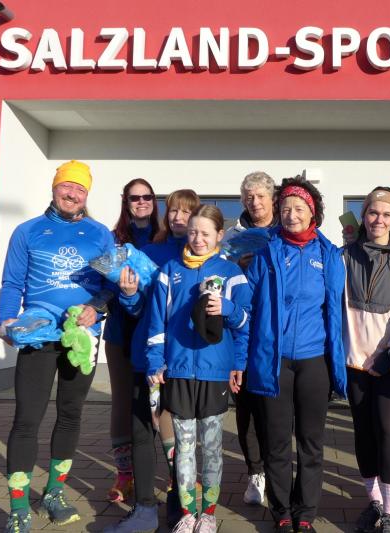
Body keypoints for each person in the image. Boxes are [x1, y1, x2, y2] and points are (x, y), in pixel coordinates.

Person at [0, 160, 115, 533]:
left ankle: (54, 493)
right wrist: (5, 320)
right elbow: (12, 283)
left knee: (70, 415)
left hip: (81, 336)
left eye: (80, 189)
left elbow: (109, 285)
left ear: (86, 195)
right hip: (39, 333)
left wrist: (97, 308)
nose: (72, 194)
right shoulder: (27, 231)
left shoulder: (99, 234)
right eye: (67, 186)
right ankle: (18, 507)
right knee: (26, 419)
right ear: (55, 187)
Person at [245, 176, 347, 533]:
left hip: (314, 361)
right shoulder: (265, 253)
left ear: (312, 212)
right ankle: (282, 511)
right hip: (273, 361)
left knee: (310, 442)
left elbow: (336, 310)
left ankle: (305, 512)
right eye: (286, 208)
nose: (291, 215)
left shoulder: (328, 255)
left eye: (299, 208)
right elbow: (248, 307)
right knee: (276, 442)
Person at [145, 205, 252, 533]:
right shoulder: (170, 270)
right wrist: (155, 361)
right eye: (193, 232)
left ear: (219, 235)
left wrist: (228, 310)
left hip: (214, 372)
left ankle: (208, 514)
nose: (198, 239)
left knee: (212, 446)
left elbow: (246, 323)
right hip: (178, 371)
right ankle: (188, 513)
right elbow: (157, 322)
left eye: (206, 233)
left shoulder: (231, 272)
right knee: (184, 447)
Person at [103, 189, 200, 533]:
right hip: (147, 355)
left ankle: (181, 502)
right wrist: (129, 295)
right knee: (142, 427)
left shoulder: (204, 255)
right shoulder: (150, 252)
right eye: (173, 211)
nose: (178, 218)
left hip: (184, 358)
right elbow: (137, 308)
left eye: (186, 212)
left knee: (180, 430)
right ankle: (144, 508)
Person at [343, 187, 390, 533]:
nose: (379, 219)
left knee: (388, 432)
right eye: (373, 212)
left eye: (387, 214)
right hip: (354, 362)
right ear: (363, 216)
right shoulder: (344, 256)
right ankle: (374, 503)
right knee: (363, 433)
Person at [221, 171, 277, 505]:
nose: (254, 202)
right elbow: (219, 274)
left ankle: (276, 469)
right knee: (245, 406)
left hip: (276, 329)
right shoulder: (232, 235)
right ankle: (255, 473)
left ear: (272, 198)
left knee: (275, 407)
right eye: (248, 196)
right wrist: (236, 265)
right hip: (241, 328)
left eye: (260, 196)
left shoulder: (284, 231)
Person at [104, 178, 160, 503]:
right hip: (120, 332)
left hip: (157, 335)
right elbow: (101, 285)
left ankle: (173, 474)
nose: (141, 202)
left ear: (154, 200)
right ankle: (125, 473)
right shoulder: (113, 240)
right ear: (126, 202)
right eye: (134, 197)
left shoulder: (165, 237)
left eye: (146, 196)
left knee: (163, 404)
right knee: (123, 402)